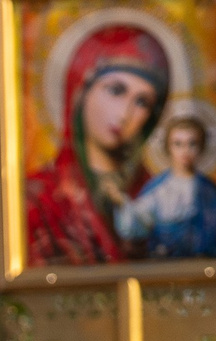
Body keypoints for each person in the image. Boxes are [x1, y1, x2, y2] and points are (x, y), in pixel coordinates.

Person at [24, 23, 172, 266]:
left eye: (142, 102)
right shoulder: (38, 200)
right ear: (80, 91)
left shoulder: (158, 196)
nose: (125, 114)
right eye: (115, 91)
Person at [119, 113, 216, 259]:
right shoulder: (157, 188)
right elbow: (136, 227)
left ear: (201, 146)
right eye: (178, 144)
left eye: (192, 143)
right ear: (168, 147)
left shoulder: (210, 191)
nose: (185, 150)